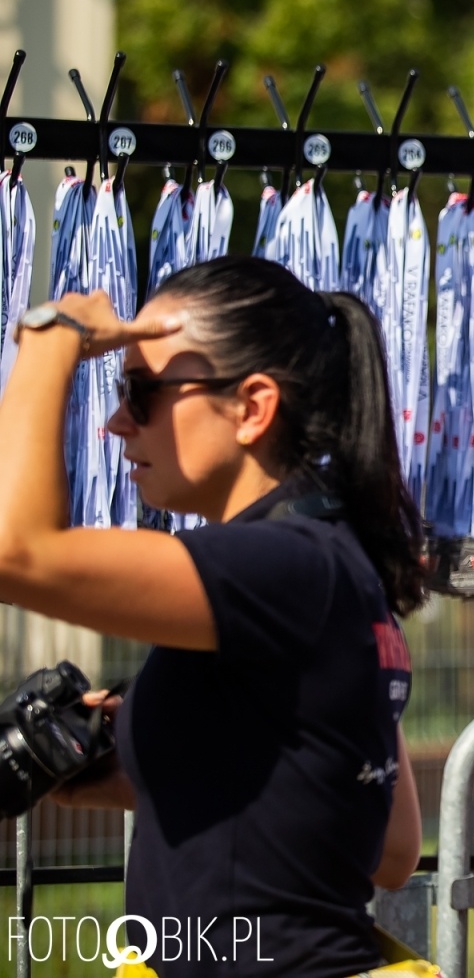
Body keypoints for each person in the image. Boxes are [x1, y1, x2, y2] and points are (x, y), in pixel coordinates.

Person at [0, 257, 424, 978]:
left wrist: (52, 337)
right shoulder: (323, 563)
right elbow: (390, 846)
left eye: (140, 391)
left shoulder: (280, 566)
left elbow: (16, 552)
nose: (114, 422)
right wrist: (148, 764)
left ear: (253, 408)